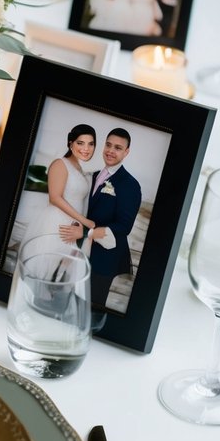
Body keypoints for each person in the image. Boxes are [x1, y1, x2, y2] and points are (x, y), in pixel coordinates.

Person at [60, 127, 142, 309]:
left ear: (126, 152)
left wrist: (85, 233)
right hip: (80, 251)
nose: (111, 151)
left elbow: (123, 226)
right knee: (68, 302)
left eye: (118, 148)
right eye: (108, 145)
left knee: (89, 309)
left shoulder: (130, 185)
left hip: (104, 258)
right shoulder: (94, 175)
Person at [23, 124, 96, 245]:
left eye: (91, 144)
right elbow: (55, 198)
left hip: (72, 228)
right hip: (56, 224)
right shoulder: (60, 164)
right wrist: (85, 221)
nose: (86, 148)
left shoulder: (80, 170)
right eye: (80, 143)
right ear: (71, 143)